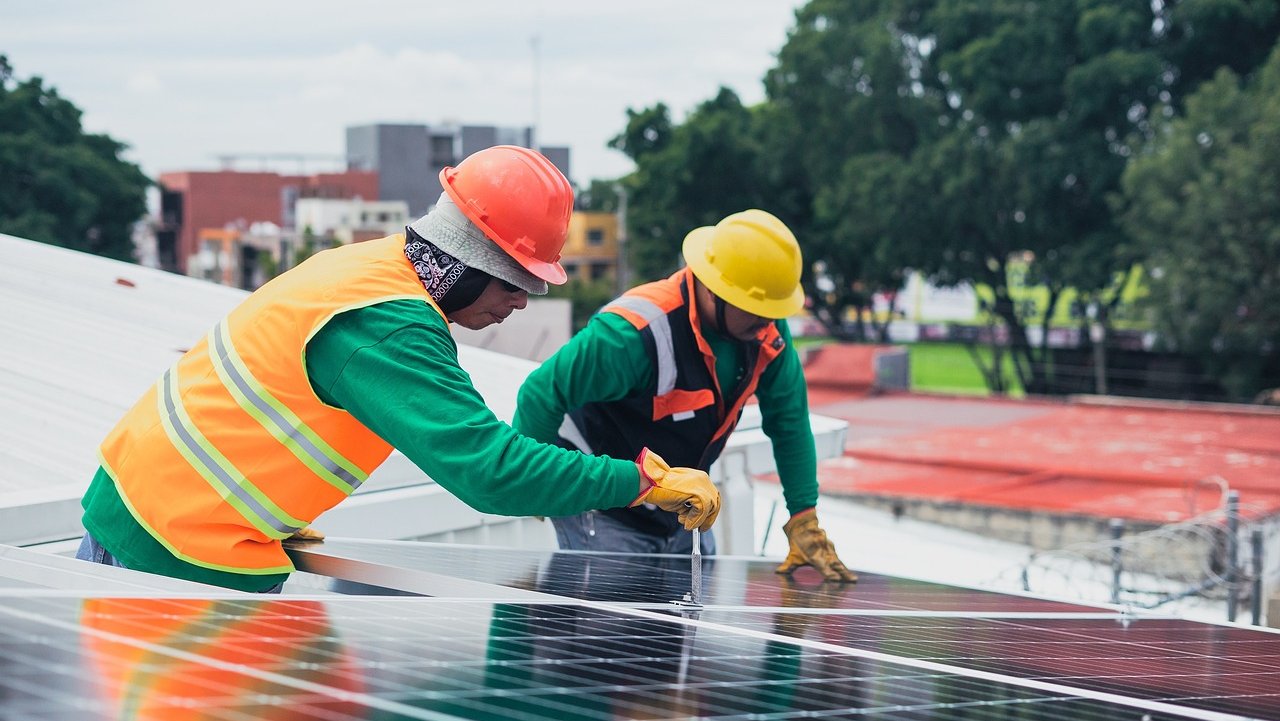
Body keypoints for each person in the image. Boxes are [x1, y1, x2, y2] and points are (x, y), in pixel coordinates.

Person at [75, 145, 720, 592]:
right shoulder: (390, 326)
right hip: (170, 544)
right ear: (474, 261)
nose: (522, 302)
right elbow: (489, 473)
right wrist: (639, 482)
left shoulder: (374, 268)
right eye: (518, 282)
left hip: (161, 512)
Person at [513, 209, 855, 582]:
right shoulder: (633, 334)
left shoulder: (765, 335)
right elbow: (541, 393)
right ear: (713, 290)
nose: (768, 323)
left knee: (682, 627)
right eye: (757, 311)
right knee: (614, 627)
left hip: (681, 508)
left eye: (773, 312)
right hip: (604, 507)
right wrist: (537, 485)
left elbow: (789, 422)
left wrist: (804, 516)